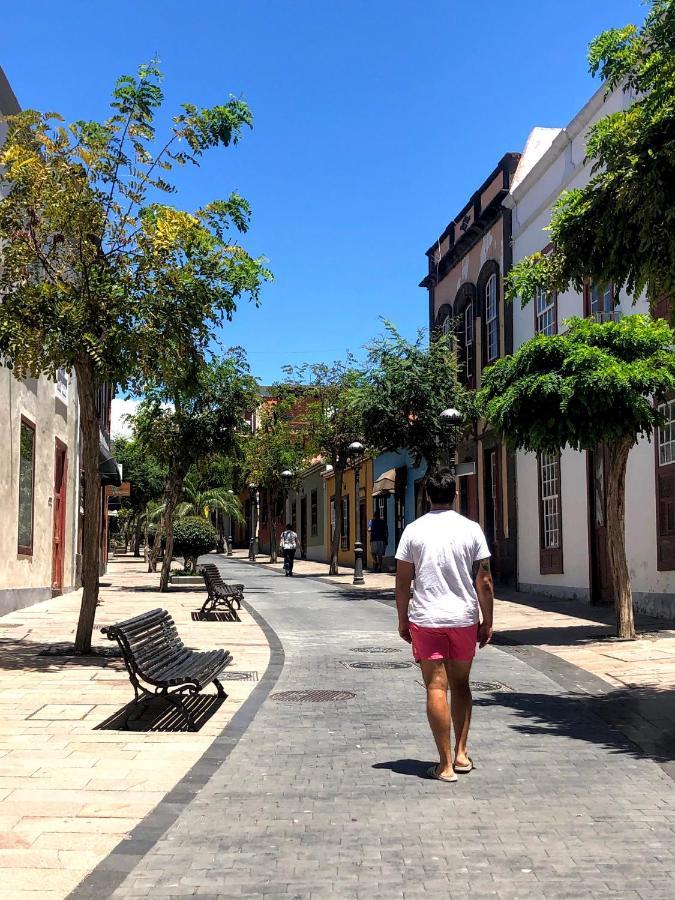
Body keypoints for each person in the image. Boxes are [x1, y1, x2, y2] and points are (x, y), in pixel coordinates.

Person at [395, 467, 494, 783]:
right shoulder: (471, 529)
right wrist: (487, 620)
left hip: (427, 619)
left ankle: (445, 765)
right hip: (463, 618)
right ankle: (462, 753)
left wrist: (402, 619)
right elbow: (485, 579)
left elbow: (402, 581)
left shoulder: (413, 530)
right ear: (455, 494)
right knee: (461, 684)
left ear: (426, 495)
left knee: (436, 686)